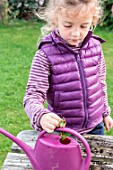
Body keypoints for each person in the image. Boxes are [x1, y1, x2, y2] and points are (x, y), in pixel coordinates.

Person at [23, 0, 113, 135]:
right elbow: (32, 95)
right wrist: (41, 116)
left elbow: (100, 84)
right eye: (68, 25)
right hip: (62, 130)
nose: (76, 33)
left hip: (95, 126)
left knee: (95, 157)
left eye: (84, 26)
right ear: (55, 20)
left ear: (93, 21)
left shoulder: (95, 47)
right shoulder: (45, 54)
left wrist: (105, 112)